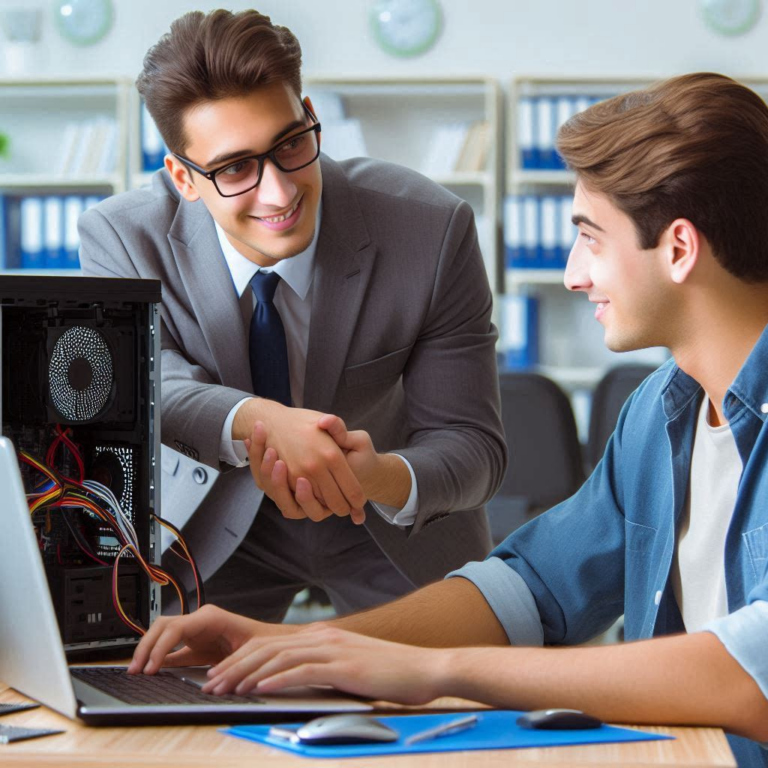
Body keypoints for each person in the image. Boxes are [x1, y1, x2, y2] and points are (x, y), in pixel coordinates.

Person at [128, 72, 768, 766]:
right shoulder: (660, 413)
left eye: (590, 237)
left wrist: (440, 672)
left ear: (677, 248)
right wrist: (301, 649)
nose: (573, 274)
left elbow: (751, 675)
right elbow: (532, 587)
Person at [78, 9, 506, 621]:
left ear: (309, 116)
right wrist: (258, 421)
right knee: (163, 694)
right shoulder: (122, 240)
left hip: (388, 516)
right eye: (234, 168)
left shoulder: (430, 232)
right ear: (183, 177)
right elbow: (142, 385)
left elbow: (473, 447)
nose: (279, 193)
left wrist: (375, 476)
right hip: (213, 522)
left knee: (447, 698)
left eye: (289, 145)